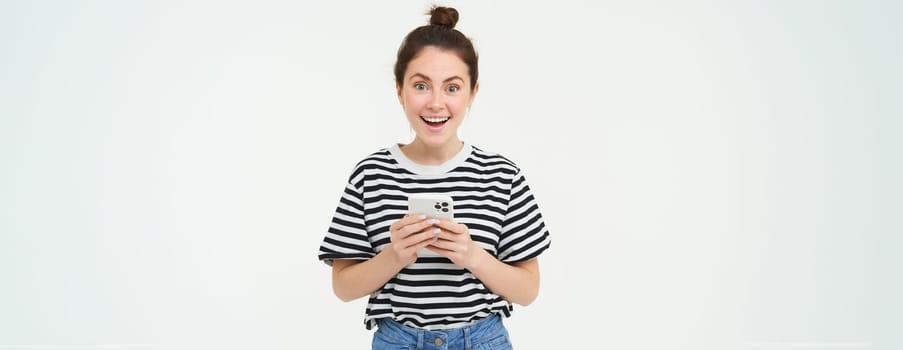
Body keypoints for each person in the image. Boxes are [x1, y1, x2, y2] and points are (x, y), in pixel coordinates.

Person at [318, 5, 551, 349]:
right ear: (399, 90)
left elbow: (528, 290)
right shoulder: (371, 175)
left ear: (473, 92)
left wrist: (471, 255)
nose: (436, 103)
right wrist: (395, 255)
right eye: (421, 85)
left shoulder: (503, 175)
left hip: (482, 339)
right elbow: (343, 287)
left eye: (453, 87)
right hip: (397, 340)